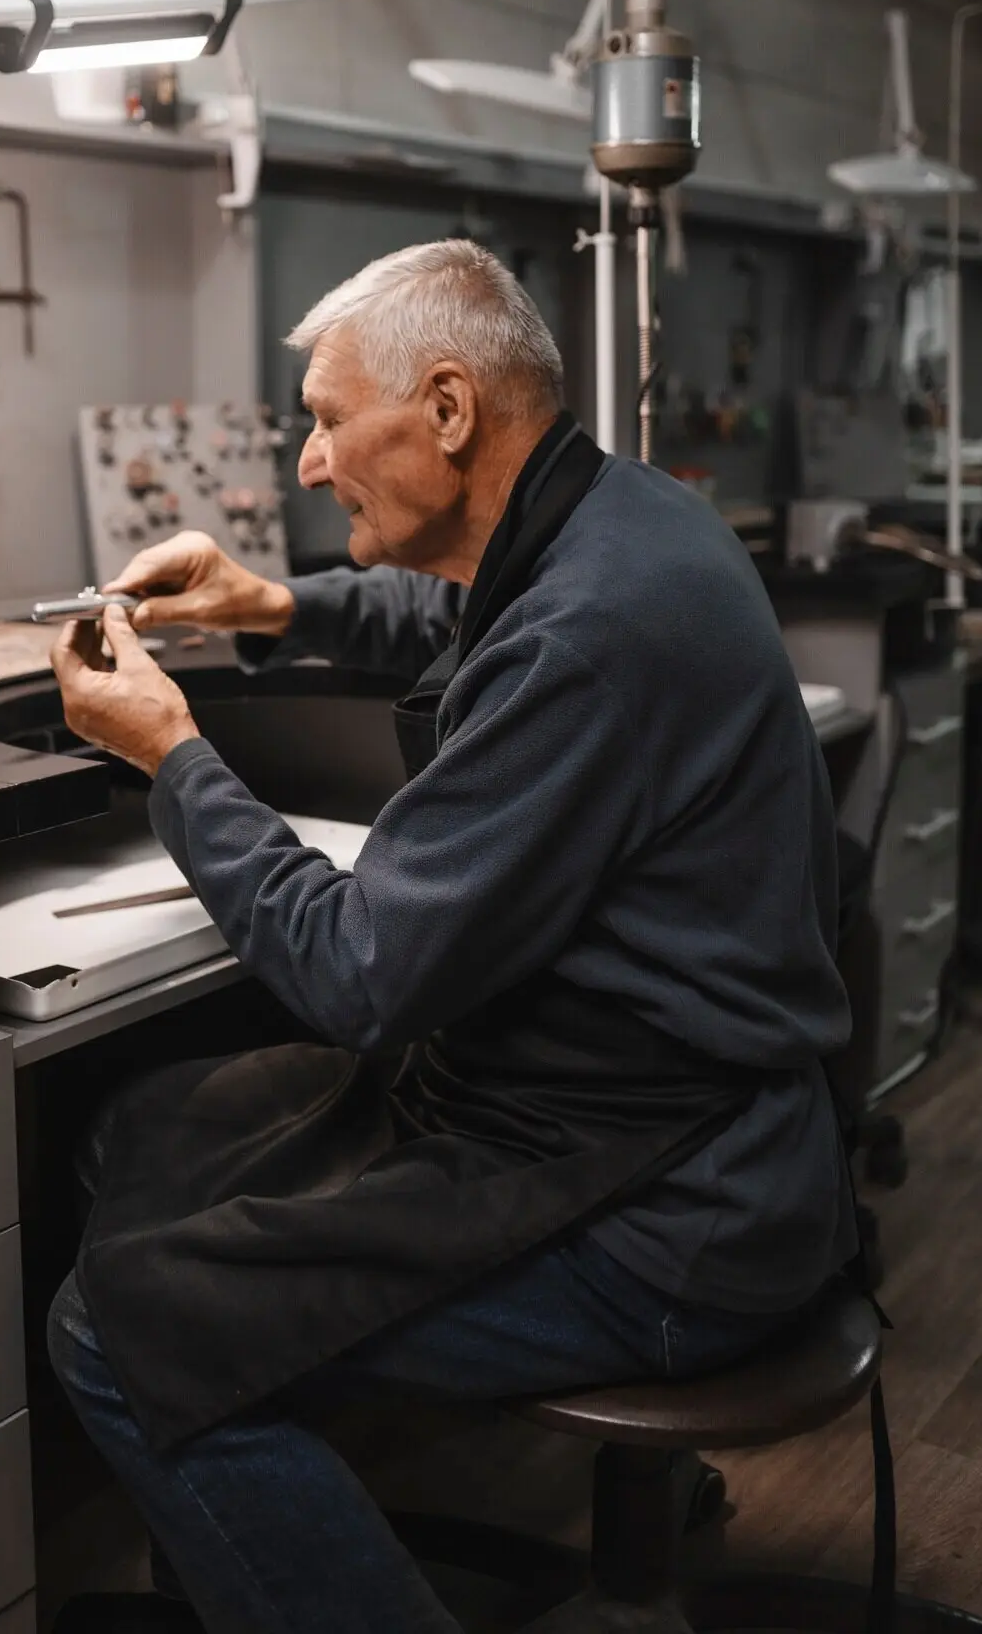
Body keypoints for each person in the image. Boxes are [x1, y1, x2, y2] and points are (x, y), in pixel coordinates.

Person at [47, 239, 854, 1634]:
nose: (304, 464)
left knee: (112, 1331)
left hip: (669, 1213)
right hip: (616, 1118)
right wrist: (272, 601)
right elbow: (449, 595)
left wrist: (172, 755)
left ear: (446, 411)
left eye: (321, 419)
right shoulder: (621, 521)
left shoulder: (586, 633)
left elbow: (357, 970)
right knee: (144, 1129)